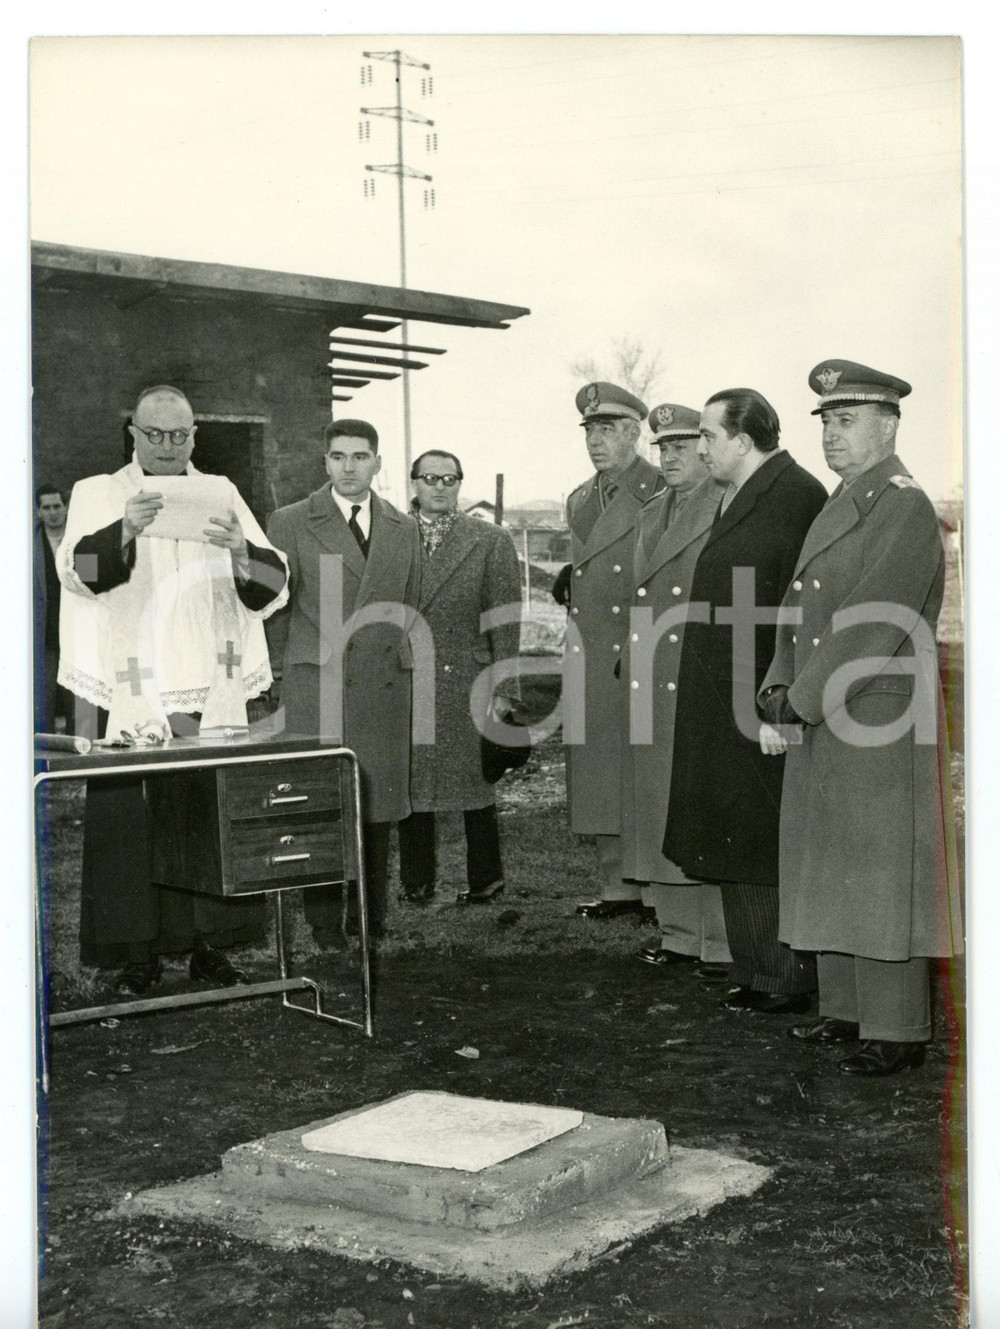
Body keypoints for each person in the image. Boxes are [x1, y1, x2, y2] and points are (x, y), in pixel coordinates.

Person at [759, 360, 962, 1076]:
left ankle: (897, 1025)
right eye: (827, 423)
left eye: (846, 421)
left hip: (877, 707)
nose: (832, 436)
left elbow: (873, 617)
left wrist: (802, 695)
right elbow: (800, 606)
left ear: (889, 425)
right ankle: (845, 1009)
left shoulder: (902, 503)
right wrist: (778, 678)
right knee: (832, 856)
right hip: (830, 703)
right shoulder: (847, 499)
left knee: (879, 867)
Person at [57, 385, 289, 996]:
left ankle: (210, 946)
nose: (168, 446)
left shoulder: (221, 492)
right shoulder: (98, 492)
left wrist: (243, 550)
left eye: (180, 435)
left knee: (206, 820)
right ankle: (139, 955)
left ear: (195, 436)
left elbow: (271, 584)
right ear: (133, 433)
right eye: (155, 434)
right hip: (137, 686)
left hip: (209, 684)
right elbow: (78, 577)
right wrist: (122, 531)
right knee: (136, 826)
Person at [663, 388, 827, 1013]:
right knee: (733, 828)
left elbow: (799, 610)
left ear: (743, 438)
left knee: (758, 832)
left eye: (706, 435)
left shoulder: (793, 495)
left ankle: (785, 976)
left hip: (763, 697)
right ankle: (756, 967)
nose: (698, 447)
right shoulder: (737, 494)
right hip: (722, 693)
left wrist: (779, 701)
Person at [267, 419, 421, 946]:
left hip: (381, 684)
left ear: (378, 463)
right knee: (322, 803)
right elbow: (275, 609)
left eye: (360, 457)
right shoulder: (289, 522)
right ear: (325, 462)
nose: (349, 467)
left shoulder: (404, 527)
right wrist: (274, 674)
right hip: (319, 685)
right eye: (338, 457)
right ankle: (326, 922)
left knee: (375, 807)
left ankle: (370, 915)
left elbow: (411, 607)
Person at [620, 404, 731, 977]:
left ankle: (718, 942)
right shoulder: (654, 510)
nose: (671, 458)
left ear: (706, 449)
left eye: (683, 447)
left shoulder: (725, 505)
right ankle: (679, 932)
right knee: (657, 805)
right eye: (663, 448)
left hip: (693, 672)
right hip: (652, 675)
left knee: (696, 803)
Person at [397, 449, 522, 905]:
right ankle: (416, 883)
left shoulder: (489, 539)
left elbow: (504, 619)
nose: (439, 487)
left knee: (476, 782)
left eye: (450, 479)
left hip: (468, 677)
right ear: (414, 483)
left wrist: (505, 688)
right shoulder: (392, 534)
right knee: (412, 786)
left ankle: (486, 880)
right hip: (407, 674)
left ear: (460, 485)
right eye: (430, 478)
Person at [565, 382, 664, 920]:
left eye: (607, 430)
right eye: (590, 431)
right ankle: (616, 886)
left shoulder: (659, 491)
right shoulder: (580, 497)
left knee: (638, 768)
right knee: (598, 770)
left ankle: (652, 888)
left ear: (634, 434)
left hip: (636, 651)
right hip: (590, 652)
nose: (595, 442)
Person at [33, 484, 72, 733]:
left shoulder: (80, 540)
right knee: (42, 702)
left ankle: (84, 755)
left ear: (65, 507)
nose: (53, 512)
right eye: (46, 507)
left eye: (57, 506)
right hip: (44, 636)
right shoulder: (25, 546)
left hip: (76, 635)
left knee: (80, 702)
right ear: (38, 512)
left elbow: (90, 586)